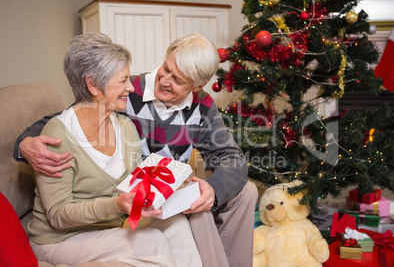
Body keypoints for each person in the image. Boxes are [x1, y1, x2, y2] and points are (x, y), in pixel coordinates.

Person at [15, 34, 258, 267]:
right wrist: (25, 143)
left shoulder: (202, 106)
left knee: (243, 191)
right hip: (129, 195)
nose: (165, 81)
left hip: (162, 189)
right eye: (166, 69)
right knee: (187, 222)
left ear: (198, 85)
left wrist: (212, 190)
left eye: (179, 80)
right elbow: (74, 116)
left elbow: (232, 157)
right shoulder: (126, 91)